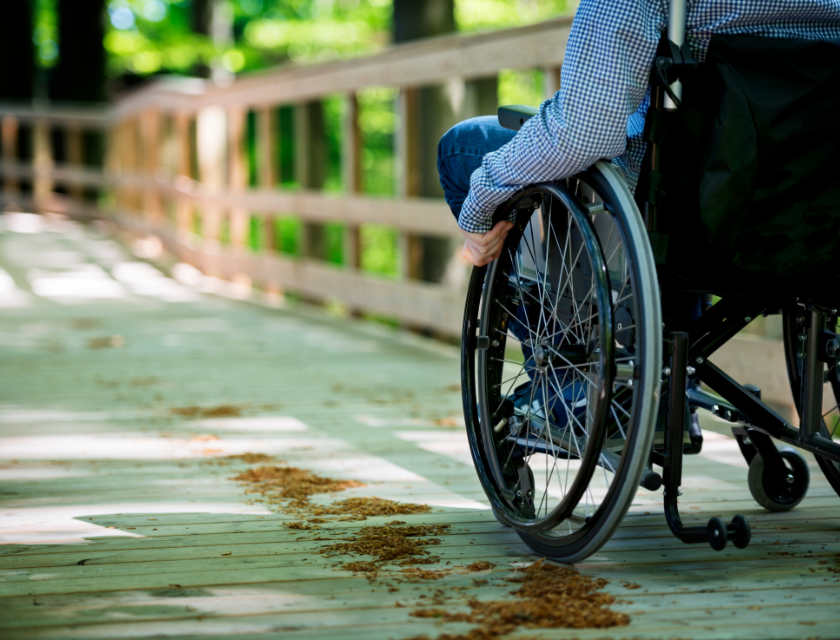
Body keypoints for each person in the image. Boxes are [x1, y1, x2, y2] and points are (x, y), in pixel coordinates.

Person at [437, 0, 840, 268]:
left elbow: (582, 131)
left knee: (461, 149)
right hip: (811, 212)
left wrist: (480, 204)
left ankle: (568, 379)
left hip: (682, 205)